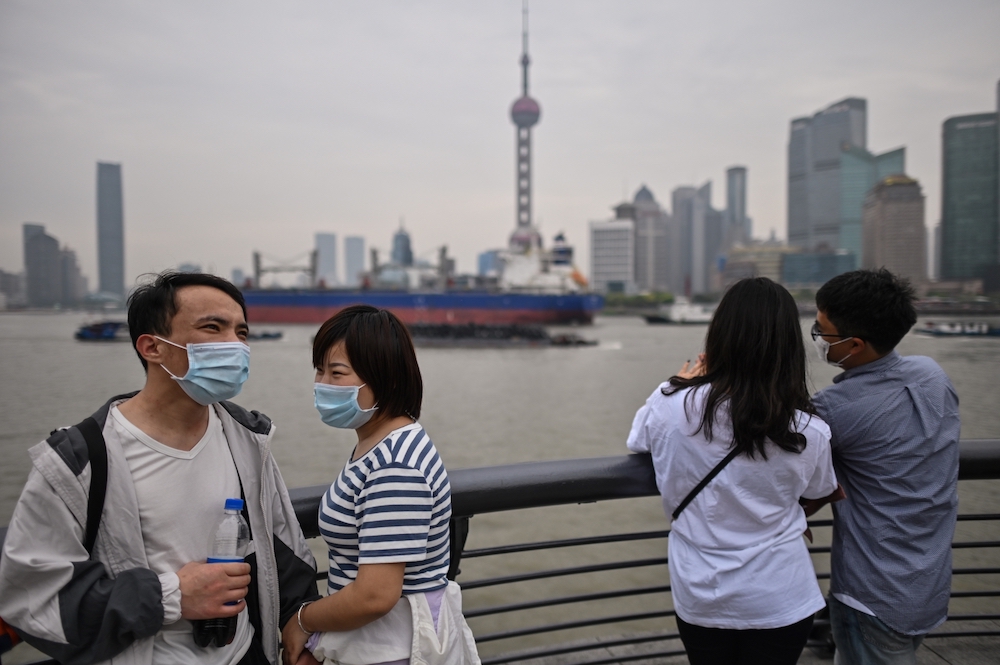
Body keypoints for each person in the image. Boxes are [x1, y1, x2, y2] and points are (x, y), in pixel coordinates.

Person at [0, 271, 319, 665]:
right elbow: (33, 597)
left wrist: (299, 625)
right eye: (213, 327)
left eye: (241, 331)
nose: (235, 345)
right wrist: (170, 596)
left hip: (245, 654)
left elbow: (286, 555)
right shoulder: (77, 459)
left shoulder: (248, 441)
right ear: (153, 347)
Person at [626, 277, 839, 665]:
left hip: (701, 594)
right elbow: (819, 489)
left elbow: (638, 441)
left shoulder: (669, 404)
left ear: (719, 334)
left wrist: (674, 386)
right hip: (781, 595)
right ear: (788, 346)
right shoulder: (811, 430)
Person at [284, 305, 478, 665]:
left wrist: (302, 621)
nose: (321, 384)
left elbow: (374, 596)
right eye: (319, 369)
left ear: (385, 379)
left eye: (337, 373)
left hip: (391, 650)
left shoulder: (395, 465)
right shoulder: (379, 442)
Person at [811, 269, 960, 665]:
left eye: (821, 332)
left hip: (870, 593)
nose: (816, 339)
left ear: (854, 344)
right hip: (928, 581)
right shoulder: (932, 376)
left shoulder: (833, 408)